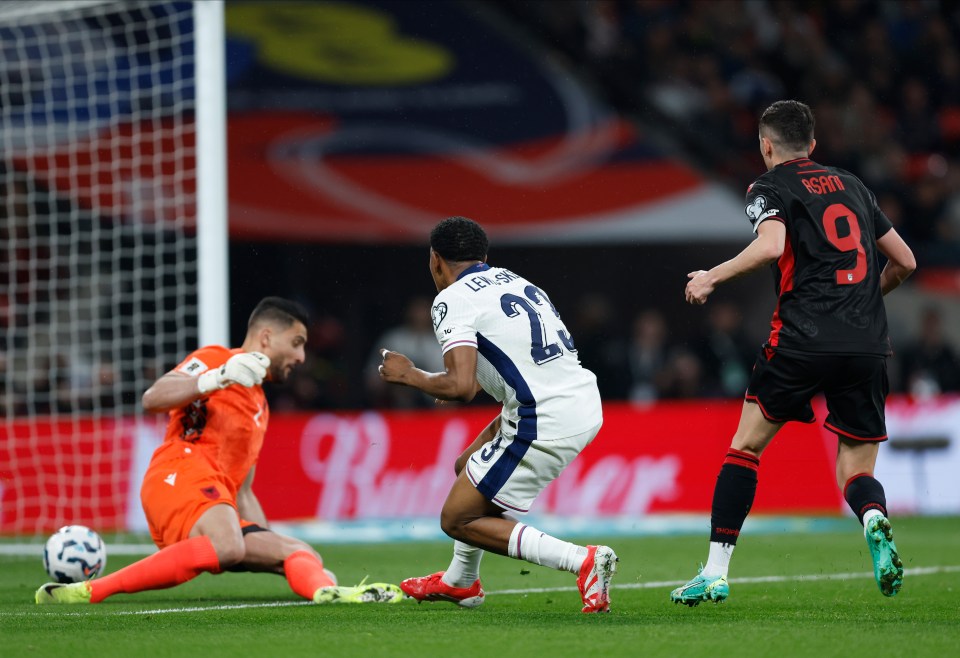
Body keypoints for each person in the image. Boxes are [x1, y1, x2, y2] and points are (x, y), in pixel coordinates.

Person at [672, 100, 916, 606]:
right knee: (856, 468)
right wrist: (861, 301)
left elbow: (769, 245)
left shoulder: (770, 187)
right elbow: (906, 262)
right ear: (813, 143)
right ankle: (873, 516)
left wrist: (710, 276)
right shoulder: (854, 184)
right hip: (867, 344)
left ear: (766, 145)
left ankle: (715, 572)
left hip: (801, 339)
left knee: (745, 448)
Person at [36, 297, 401, 605]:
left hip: (215, 501)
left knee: (300, 552)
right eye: (297, 343)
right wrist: (218, 377)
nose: (302, 356)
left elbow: (242, 490)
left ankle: (327, 591)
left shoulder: (260, 406)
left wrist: (267, 539)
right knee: (228, 545)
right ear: (267, 336)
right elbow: (153, 398)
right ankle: (87, 591)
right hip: (177, 475)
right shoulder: (216, 358)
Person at [378, 216, 618, 613]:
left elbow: (461, 387)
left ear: (435, 260)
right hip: (576, 398)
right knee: (466, 466)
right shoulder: (516, 280)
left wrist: (411, 376)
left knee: (457, 519)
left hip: (544, 416)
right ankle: (461, 581)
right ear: (484, 257)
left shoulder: (451, 299)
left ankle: (582, 560)